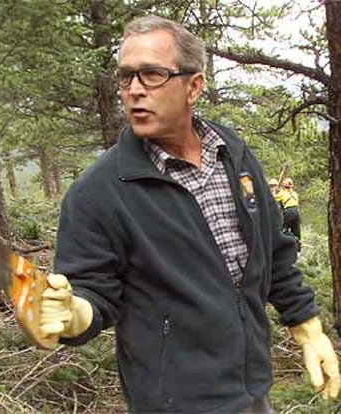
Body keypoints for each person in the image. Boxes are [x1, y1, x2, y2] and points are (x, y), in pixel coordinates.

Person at [38, 16, 339, 414]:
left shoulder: (231, 152)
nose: (134, 91)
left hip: (253, 390)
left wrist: (308, 327)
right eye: (126, 77)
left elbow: (273, 249)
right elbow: (91, 292)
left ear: (193, 86)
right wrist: (72, 313)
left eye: (152, 75)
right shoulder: (99, 191)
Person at [275, 177, 301, 250]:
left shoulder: (282, 193)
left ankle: (282, 245)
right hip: (297, 212)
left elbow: (272, 199)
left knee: (282, 229)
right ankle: (297, 248)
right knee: (296, 230)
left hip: (289, 211)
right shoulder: (295, 194)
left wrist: (274, 193)